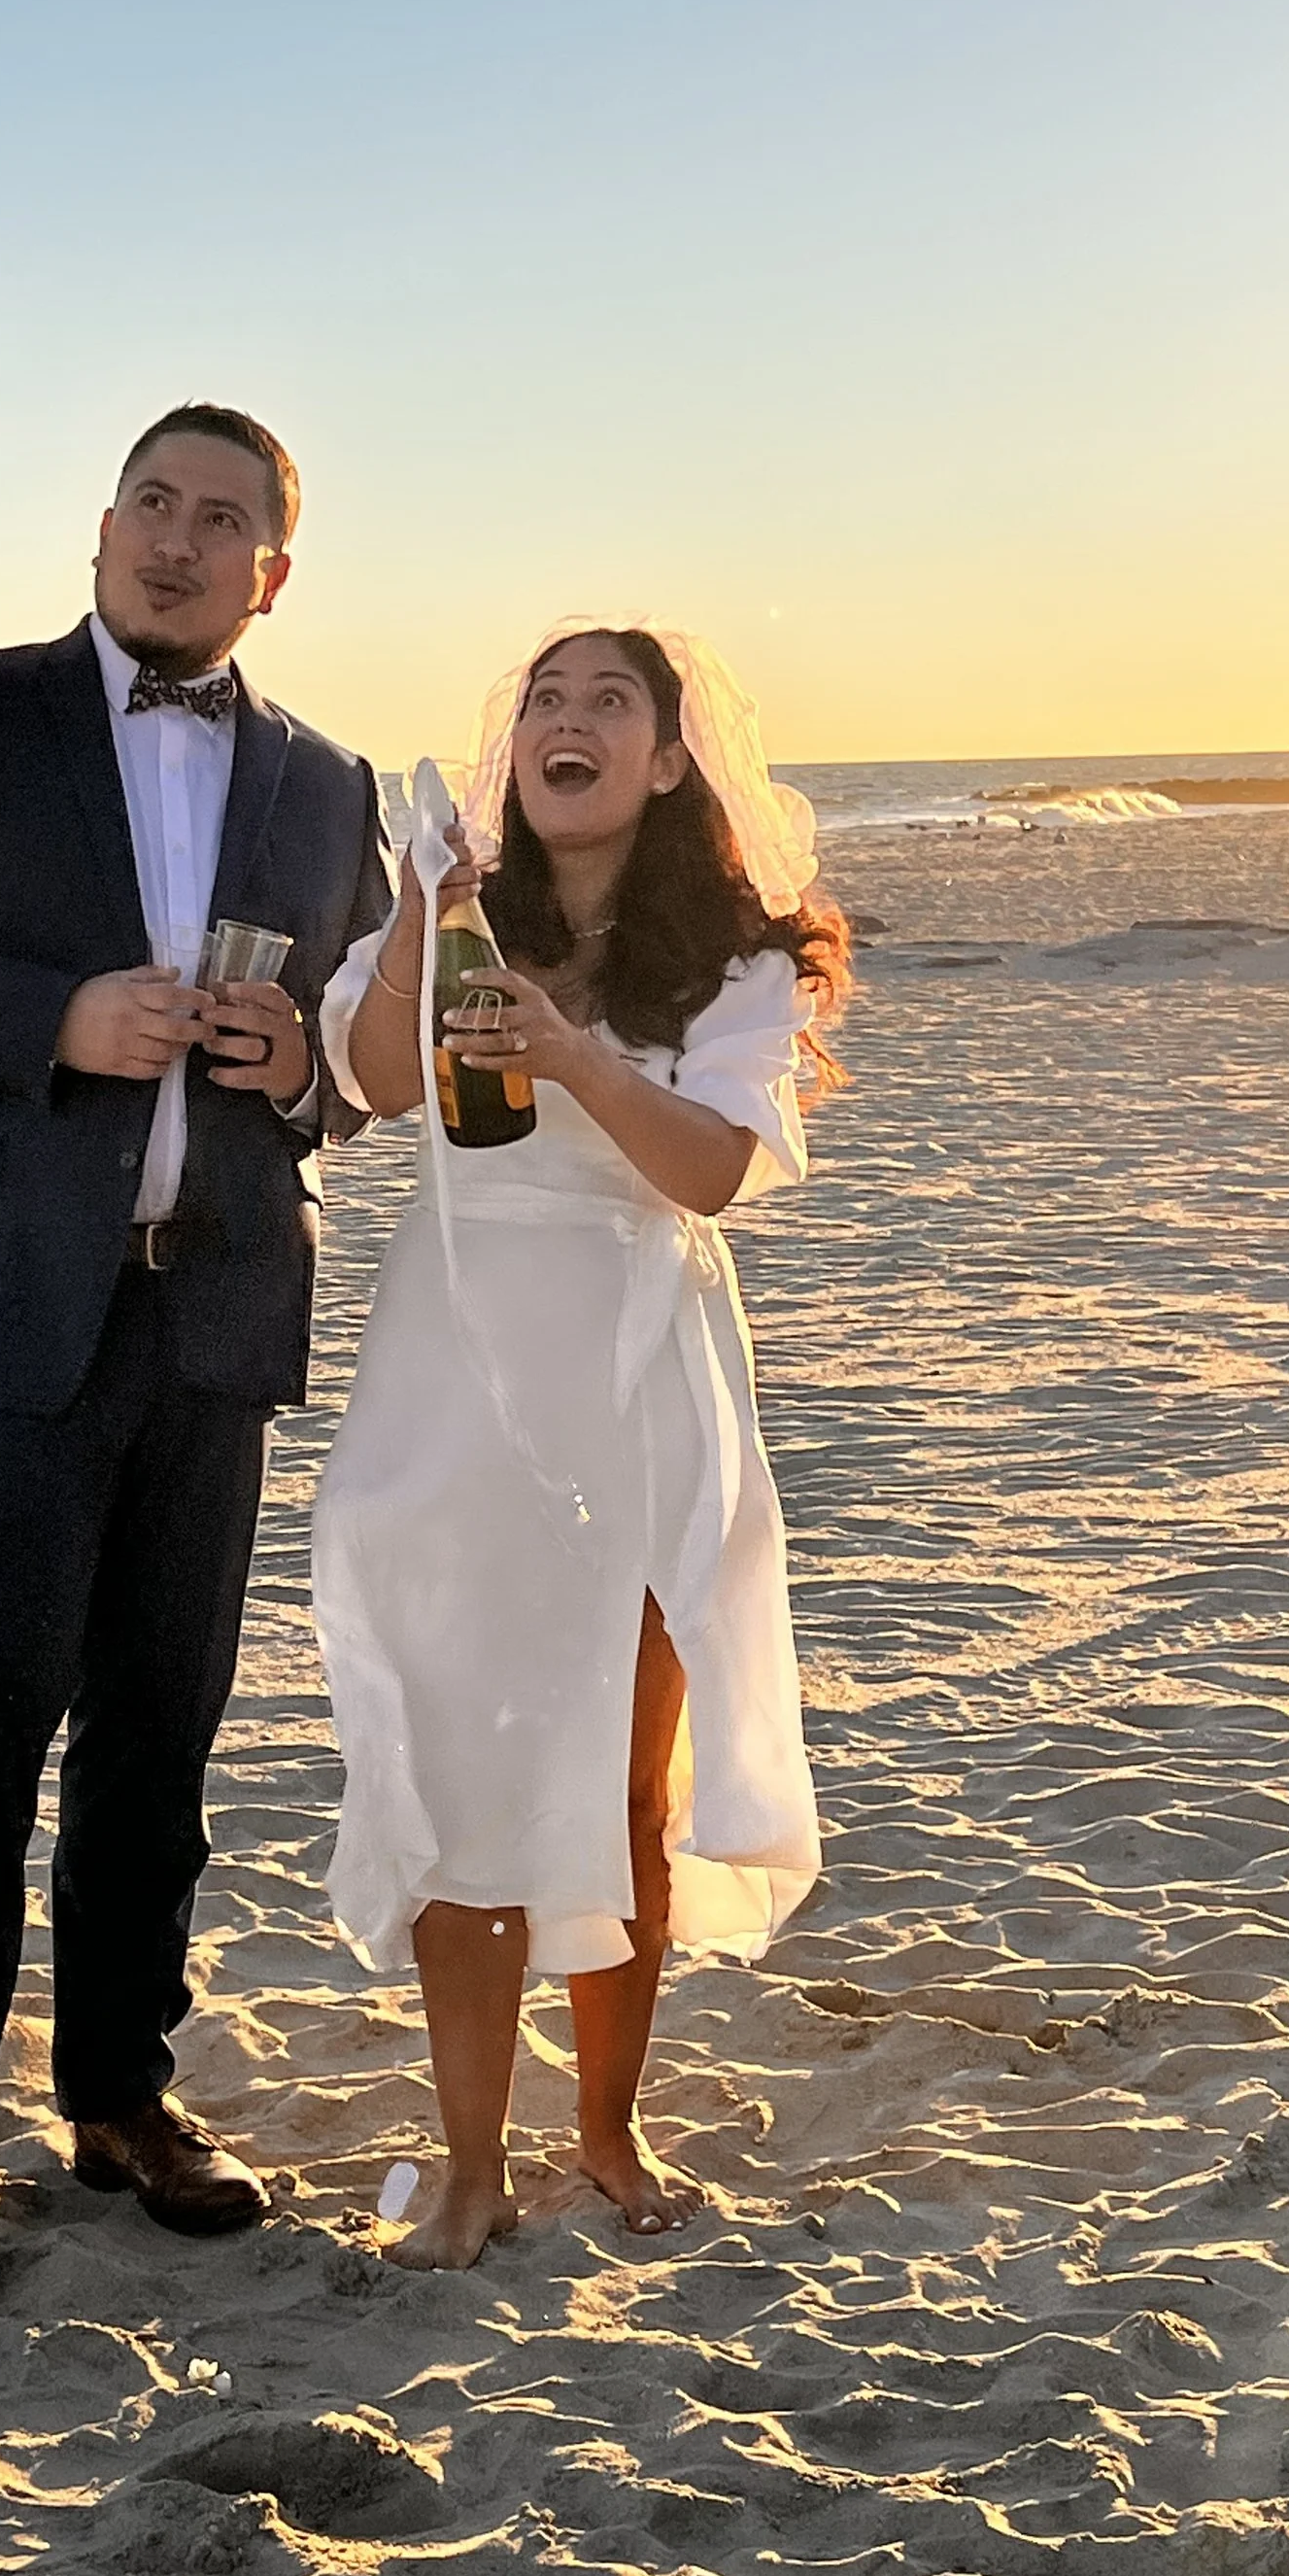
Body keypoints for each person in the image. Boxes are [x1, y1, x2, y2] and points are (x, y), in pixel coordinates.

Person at [0, 403, 391, 2291]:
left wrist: (304, 1077)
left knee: (161, 1727)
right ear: (104, 526)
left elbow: (354, 1048)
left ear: (270, 573)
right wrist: (57, 1015)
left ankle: (120, 2095)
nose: (179, 541)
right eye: (153, 504)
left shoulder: (328, 779)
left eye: (223, 521)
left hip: (207, 1309)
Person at [312, 627, 848, 2269]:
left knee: (625, 1771)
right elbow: (372, 1075)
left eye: (610, 702)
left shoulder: (738, 961)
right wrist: (423, 906)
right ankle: (468, 2160)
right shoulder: (460, 917)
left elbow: (712, 1173)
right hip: (459, 1363)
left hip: (637, 1366)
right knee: (466, 1755)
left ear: (671, 759)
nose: (569, 721)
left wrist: (579, 1055)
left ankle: (605, 2123)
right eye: (545, 699)